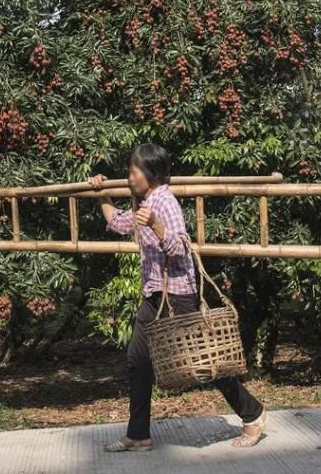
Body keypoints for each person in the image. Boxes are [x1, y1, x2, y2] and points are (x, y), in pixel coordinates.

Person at [91, 143, 267, 453]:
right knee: (138, 361)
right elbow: (120, 223)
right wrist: (101, 193)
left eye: (133, 172)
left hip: (177, 294)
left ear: (149, 174)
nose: (129, 177)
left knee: (203, 363)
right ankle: (138, 434)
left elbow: (180, 248)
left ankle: (253, 414)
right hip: (155, 295)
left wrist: (156, 226)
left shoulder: (165, 202)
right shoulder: (144, 200)